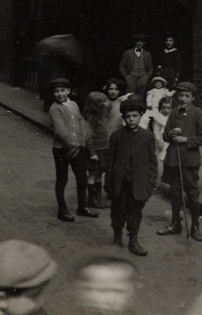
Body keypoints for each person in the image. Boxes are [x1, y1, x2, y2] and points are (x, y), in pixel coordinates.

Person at [105, 95, 158, 256]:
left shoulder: (147, 137)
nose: (131, 119)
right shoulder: (117, 136)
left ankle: (133, 240)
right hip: (120, 183)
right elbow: (110, 162)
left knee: (135, 212)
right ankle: (117, 238)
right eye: (127, 116)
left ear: (141, 115)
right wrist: (108, 184)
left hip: (139, 184)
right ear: (123, 117)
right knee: (118, 211)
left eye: (134, 116)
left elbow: (152, 162)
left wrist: (150, 183)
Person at [157, 81, 202, 242]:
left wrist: (184, 139)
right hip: (173, 159)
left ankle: (195, 226)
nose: (183, 99)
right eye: (181, 95)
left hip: (189, 160)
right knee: (175, 192)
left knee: (192, 193)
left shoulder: (197, 113)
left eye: (187, 96)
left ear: (193, 97)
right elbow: (165, 135)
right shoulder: (173, 113)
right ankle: (175, 224)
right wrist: (170, 135)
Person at [49, 78, 98, 222]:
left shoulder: (74, 105)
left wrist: (83, 140)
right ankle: (62, 210)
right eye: (56, 91)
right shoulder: (54, 109)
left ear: (68, 91)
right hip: (62, 150)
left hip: (78, 148)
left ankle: (82, 207)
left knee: (82, 177)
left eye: (62, 90)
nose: (59, 94)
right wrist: (74, 144)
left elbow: (81, 121)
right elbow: (61, 131)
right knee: (62, 179)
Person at [83, 91, 110, 210]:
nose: (106, 104)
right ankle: (92, 199)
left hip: (103, 150)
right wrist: (92, 153)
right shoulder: (90, 120)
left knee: (99, 174)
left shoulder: (102, 117)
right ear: (97, 105)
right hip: (95, 152)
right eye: (103, 103)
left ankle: (98, 197)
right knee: (93, 174)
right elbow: (87, 138)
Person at [118, 34, 153, 102]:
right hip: (131, 76)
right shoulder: (128, 52)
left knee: (141, 96)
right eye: (138, 41)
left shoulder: (148, 54)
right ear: (135, 42)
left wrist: (147, 77)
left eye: (141, 41)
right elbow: (121, 66)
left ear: (144, 43)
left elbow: (151, 68)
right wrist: (126, 76)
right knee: (129, 96)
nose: (140, 43)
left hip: (143, 76)